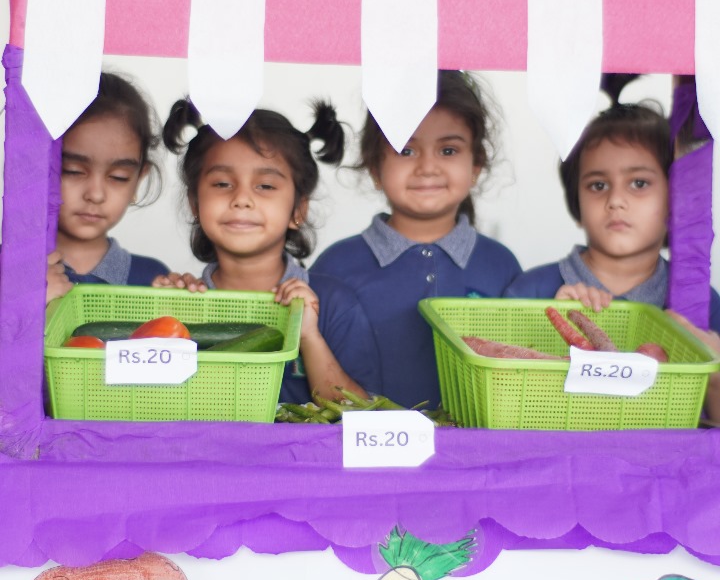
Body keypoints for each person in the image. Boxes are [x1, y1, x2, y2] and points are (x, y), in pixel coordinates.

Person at [311, 70, 521, 408]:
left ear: (476, 166)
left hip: (473, 443)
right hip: (358, 441)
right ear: (375, 168)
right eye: (406, 151)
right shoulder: (335, 267)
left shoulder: (501, 266)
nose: (427, 167)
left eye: (448, 150)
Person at [506, 100, 720, 422]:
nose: (616, 200)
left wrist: (714, 374)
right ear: (577, 202)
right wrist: (547, 325)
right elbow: (504, 402)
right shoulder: (530, 292)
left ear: (676, 198)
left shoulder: (702, 305)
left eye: (639, 183)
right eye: (598, 185)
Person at [156, 98, 378, 404]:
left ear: (298, 210)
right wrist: (161, 322)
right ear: (195, 203)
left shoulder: (335, 303)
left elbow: (361, 414)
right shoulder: (182, 305)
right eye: (222, 184)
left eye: (265, 186)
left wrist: (308, 336)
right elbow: (157, 406)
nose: (242, 199)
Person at [47, 72, 168, 303]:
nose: (95, 194)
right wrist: (23, 305)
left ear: (138, 179)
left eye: (118, 177)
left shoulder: (153, 280)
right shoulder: (9, 269)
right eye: (73, 171)